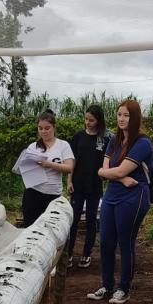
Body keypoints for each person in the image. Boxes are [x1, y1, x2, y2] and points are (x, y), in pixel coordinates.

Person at [87, 99, 153, 304]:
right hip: (112, 195)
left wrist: (110, 173)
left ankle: (124, 288)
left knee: (125, 241)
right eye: (119, 115)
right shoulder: (114, 140)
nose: (122, 119)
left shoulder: (142, 143)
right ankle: (107, 285)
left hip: (134, 196)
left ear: (135, 118)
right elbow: (105, 170)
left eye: (127, 115)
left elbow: (113, 171)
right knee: (106, 241)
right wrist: (121, 178)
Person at [66, 105, 112, 269]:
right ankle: (68, 253)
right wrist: (69, 181)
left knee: (92, 220)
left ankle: (86, 253)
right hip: (78, 184)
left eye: (91, 120)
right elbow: (71, 161)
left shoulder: (105, 139)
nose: (87, 122)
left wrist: (106, 175)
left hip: (94, 185)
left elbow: (109, 161)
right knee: (73, 220)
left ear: (99, 121)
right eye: (86, 119)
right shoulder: (78, 137)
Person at [13, 110, 75, 227]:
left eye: (47, 128)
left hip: (53, 195)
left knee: (50, 229)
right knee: (31, 228)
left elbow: (69, 168)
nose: (43, 131)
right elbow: (24, 168)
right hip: (33, 194)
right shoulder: (33, 147)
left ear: (54, 127)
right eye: (40, 128)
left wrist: (49, 164)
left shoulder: (63, 145)